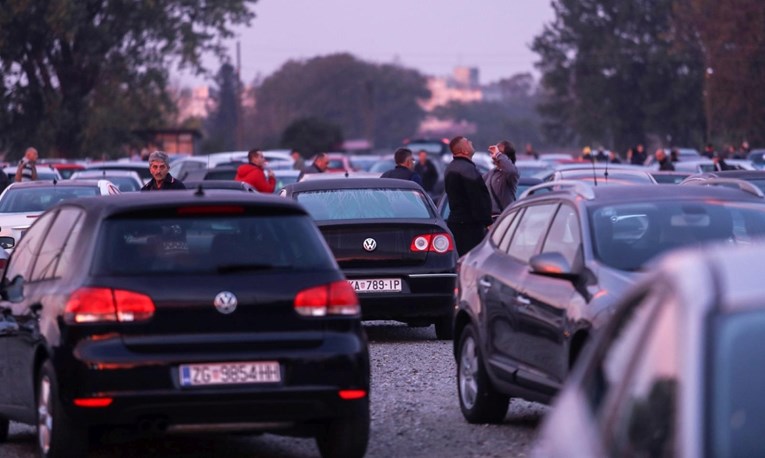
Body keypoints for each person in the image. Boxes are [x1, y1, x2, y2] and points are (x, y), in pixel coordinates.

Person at [444, 136, 492, 256]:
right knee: (472, 259)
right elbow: (477, 198)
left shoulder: (451, 167)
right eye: (467, 142)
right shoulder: (467, 170)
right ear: (464, 151)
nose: (471, 142)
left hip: (456, 222)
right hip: (470, 226)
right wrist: (488, 222)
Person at [484, 140, 520, 216]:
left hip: (504, 217)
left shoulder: (511, 173)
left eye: (499, 152)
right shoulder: (491, 173)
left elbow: (511, 171)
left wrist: (498, 154)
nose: (495, 153)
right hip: (490, 220)